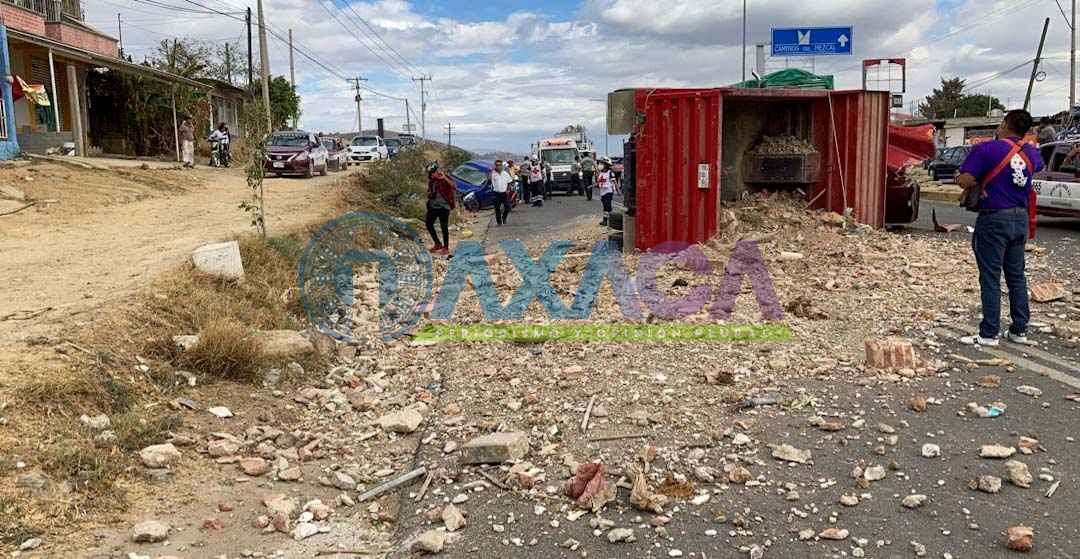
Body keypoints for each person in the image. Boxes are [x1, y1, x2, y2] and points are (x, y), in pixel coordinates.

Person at [956, 109, 1044, 347]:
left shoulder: (986, 149)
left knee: (990, 276)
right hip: (1020, 218)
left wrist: (967, 180)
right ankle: (1019, 329)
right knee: (1016, 276)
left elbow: (966, 179)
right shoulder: (1031, 152)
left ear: (1005, 124)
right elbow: (1037, 167)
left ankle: (988, 333)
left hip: (994, 217)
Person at [425, 162, 456, 255]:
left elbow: (453, 186)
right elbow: (430, 191)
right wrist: (429, 194)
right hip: (433, 206)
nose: (432, 175)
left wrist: (444, 178)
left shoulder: (444, 178)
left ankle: (446, 247)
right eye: (430, 173)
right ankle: (437, 243)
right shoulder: (431, 181)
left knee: (444, 227)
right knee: (428, 224)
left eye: (433, 172)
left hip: (444, 207)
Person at [595, 160, 619, 226]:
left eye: (602, 164)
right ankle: (605, 220)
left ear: (606, 165)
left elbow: (615, 182)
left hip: (608, 192)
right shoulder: (601, 173)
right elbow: (599, 182)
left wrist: (618, 191)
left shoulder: (610, 173)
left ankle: (610, 221)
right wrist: (596, 185)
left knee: (608, 206)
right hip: (602, 192)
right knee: (605, 207)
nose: (600, 165)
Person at [491, 159, 513, 225]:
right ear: (495, 166)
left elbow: (509, 182)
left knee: (508, 207)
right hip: (496, 193)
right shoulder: (493, 174)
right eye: (497, 165)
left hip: (504, 193)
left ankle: (504, 217)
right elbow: (488, 179)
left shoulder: (505, 173)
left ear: (502, 166)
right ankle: (499, 222)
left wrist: (508, 190)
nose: (499, 166)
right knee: (497, 209)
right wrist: (493, 171)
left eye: (500, 165)